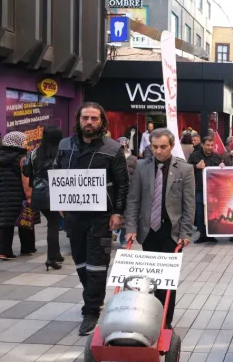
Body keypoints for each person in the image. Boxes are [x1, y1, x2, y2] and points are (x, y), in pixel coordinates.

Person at [54, 102, 129, 336]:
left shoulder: (113, 148)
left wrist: (118, 212)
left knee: (98, 263)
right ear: (78, 120)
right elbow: (57, 172)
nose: (89, 122)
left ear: (102, 122)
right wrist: (58, 201)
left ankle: (91, 310)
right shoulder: (65, 145)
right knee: (80, 262)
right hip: (74, 217)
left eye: (94, 118)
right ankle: (94, 298)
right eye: (85, 118)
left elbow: (122, 183)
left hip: (102, 217)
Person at [125, 128, 195, 330]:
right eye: (154, 147)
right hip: (148, 232)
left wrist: (185, 233)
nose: (158, 151)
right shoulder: (141, 167)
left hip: (171, 233)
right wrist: (131, 227)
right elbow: (134, 199)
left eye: (163, 147)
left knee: (167, 281)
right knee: (149, 279)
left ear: (172, 146)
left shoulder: (184, 169)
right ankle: (149, 316)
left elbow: (188, 204)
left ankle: (166, 322)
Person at [22, 126, 64, 270]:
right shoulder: (62, 154)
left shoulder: (34, 153)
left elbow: (26, 172)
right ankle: (51, 258)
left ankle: (56, 253)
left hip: (39, 194)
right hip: (58, 193)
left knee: (52, 222)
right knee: (54, 224)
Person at [0, 132, 37, 260]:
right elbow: (25, 178)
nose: (26, 143)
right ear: (17, 142)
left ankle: (4, 251)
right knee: (25, 219)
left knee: (5, 223)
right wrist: (29, 195)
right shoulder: (22, 157)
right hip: (19, 194)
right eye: (24, 140)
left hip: (4, 194)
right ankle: (26, 249)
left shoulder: (0, 156)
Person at [188, 136, 222, 243]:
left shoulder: (217, 156)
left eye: (212, 145)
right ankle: (202, 234)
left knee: (212, 212)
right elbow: (187, 169)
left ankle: (211, 234)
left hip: (212, 190)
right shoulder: (194, 155)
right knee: (200, 212)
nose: (210, 147)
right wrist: (196, 166)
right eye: (208, 145)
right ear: (203, 144)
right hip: (199, 189)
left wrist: (222, 166)